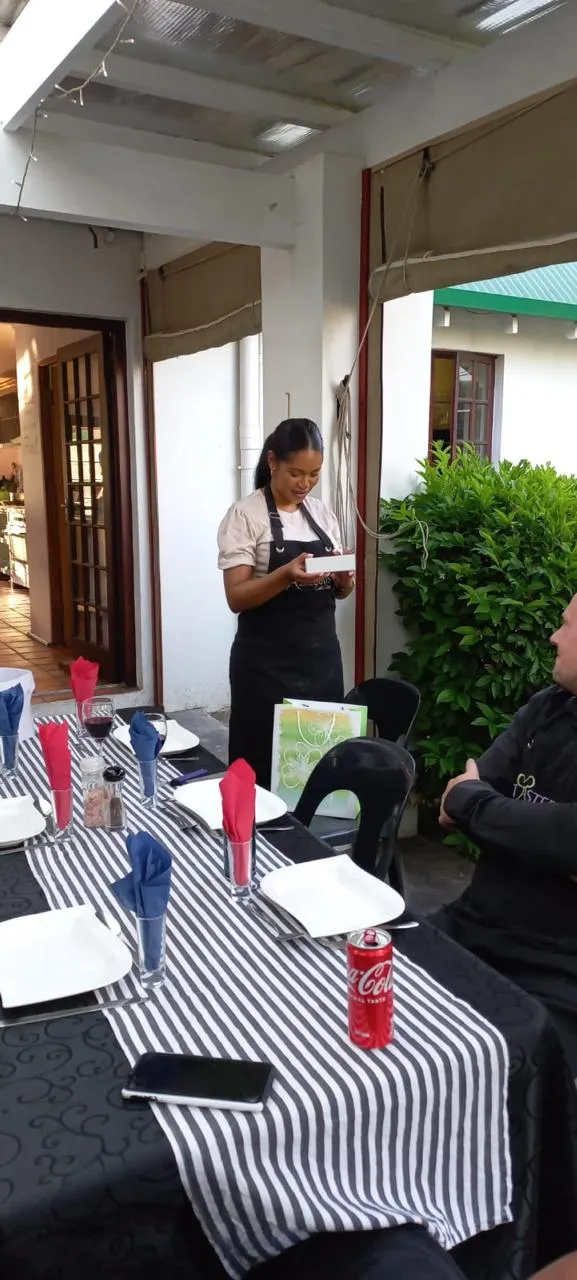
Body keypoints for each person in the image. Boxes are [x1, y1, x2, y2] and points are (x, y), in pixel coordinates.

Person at [434, 594, 577, 1075]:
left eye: (566, 626)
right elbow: (455, 801)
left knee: (477, 1073)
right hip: (471, 926)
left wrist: (481, 810)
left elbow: (473, 800)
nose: (553, 637)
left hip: (556, 972)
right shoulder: (547, 707)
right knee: (355, 976)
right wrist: (523, 831)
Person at [217, 418, 354, 787]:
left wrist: (343, 582)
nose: (305, 483)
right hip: (265, 668)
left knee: (317, 770)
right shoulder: (245, 515)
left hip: (322, 663)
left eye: (314, 474)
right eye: (296, 473)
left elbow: (339, 593)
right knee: (261, 767)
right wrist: (286, 575)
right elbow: (236, 596)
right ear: (273, 461)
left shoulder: (322, 515)